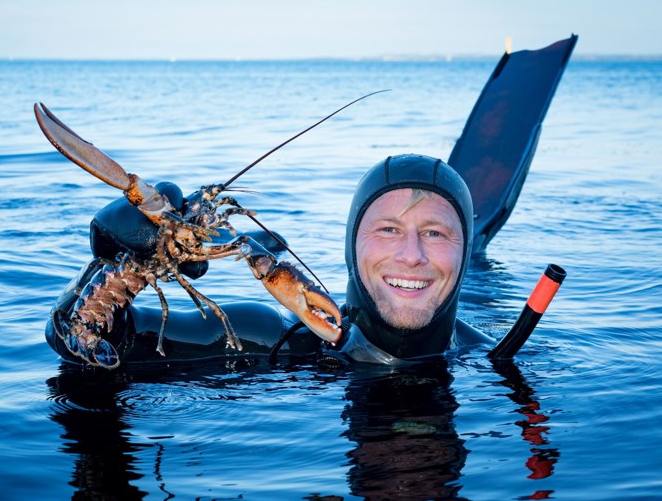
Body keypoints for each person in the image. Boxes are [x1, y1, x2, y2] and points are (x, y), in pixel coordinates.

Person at [45, 153, 492, 368]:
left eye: (435, 233)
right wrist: (111, 263)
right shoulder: (270, 339)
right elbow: (101, 343)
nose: (411, 255)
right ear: (353, 247)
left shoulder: (502, 361)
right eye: (388, 230)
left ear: (466, 249)